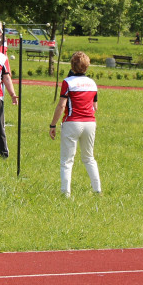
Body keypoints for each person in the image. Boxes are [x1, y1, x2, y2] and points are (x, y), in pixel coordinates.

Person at [49, 51, 101, 196]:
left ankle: (65, 192)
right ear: (87, 66)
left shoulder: (68, 82)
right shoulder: (92, 83)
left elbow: (61, 105)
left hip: (72, 122)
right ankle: (97, 189)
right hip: (90, 122)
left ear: (72, 65)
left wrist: (53, 124)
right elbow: (95, 106)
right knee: (89, 158)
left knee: (67, 161)